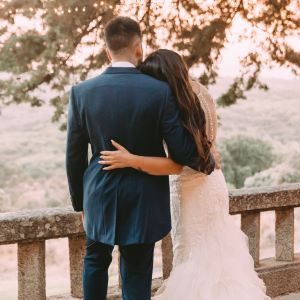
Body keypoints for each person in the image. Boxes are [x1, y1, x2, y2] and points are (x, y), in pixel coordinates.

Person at [99, 49, 271, 300]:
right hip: (214, 182)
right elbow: (210, 146)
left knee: (191, 254)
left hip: (189, 187)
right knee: (219, 255)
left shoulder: (173, 105)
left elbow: (178, 162)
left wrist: (132, 160)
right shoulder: (202, 93)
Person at [65, 17, 215, 300]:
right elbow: (181, 154)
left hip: (98, 195)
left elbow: (73, 157)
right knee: (136, 270)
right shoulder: (160, 91)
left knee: (95, 261)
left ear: (106, 50)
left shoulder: (81, 93)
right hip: (144, 197)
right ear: (138, 48)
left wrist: (80, 202)